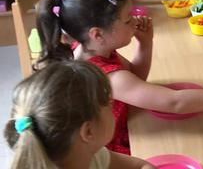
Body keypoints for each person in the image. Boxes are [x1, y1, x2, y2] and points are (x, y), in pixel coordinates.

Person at [36, 0, 203, 155]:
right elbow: (174, 102)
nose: (135, 21)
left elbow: (135, 77)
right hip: (114, 152)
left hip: (128, 123)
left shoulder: (90, 48)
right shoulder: (106, 77)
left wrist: (145, 44)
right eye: (128, 20)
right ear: (97, 34)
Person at [4, 60, 154, 169]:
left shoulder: (90, 153)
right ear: (88, 131)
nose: (112, 102)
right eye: (107, 101)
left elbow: (138, 166)